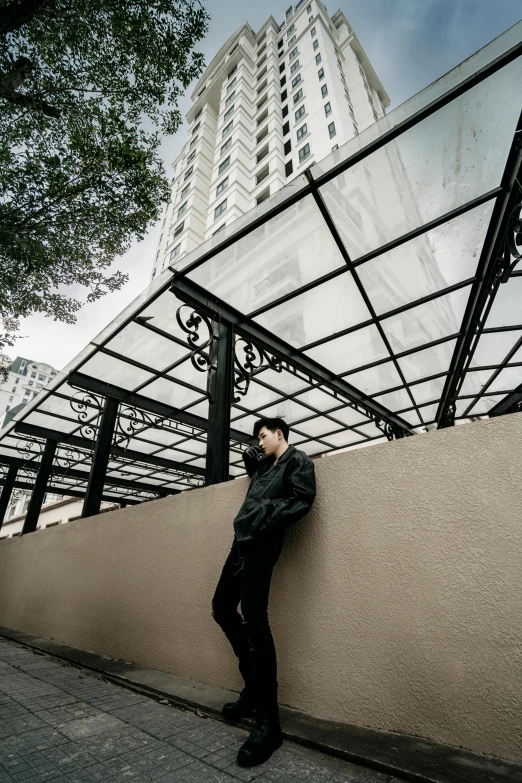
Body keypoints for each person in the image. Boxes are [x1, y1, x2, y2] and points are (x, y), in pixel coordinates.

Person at [211, 416, 317, 767]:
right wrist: (252, 456)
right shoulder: (263, 465)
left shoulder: (297, 462)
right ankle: (254, 686)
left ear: (280, 434)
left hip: (261, 545)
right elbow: (252, 469)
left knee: (256, 622)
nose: (259, 442)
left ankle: (269, 722)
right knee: (222, 607)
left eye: (263, 435)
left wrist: (262, 517)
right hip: (240, 543)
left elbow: (303, 499)